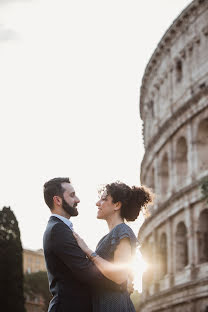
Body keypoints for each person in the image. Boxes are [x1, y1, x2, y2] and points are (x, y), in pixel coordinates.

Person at [43, 177, 124, 312]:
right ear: (57, 200)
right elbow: (86, 271)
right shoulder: (57, 229)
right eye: (72, 195)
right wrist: (121, 283)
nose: (78, 200)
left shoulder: (59, 228)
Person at [73, 181, 153, 312]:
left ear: (117, 205)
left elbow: (119, 275)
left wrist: (88, 251)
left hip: (114, 305)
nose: (97, 203)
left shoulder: (122, 231)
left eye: (104, 199)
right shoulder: (108, 237)